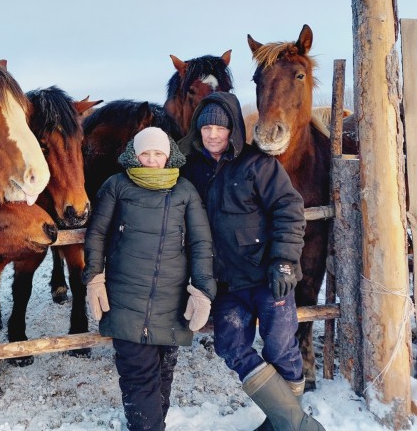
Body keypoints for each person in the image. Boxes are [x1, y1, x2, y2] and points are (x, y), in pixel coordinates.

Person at [178, 92, 325, 431]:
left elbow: (289, 210)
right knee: (229, 344)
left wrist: (285, 261)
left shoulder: (257, 164)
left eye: (220, 127)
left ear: (233, 130)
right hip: (226, 283)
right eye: (206, 128)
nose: (213, 135)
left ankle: (281, 422)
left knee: (281, 348)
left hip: (267, 277)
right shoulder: (191, 171)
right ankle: (294, 422)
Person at [82, 126, 216, 431]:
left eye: (158, 153)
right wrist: (94, 278)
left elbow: (200, 243)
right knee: (138, 377)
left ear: (169, 156)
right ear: (135, 154)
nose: (152, 160)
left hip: (171, 303)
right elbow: (97, 234)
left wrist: (203, 291)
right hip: (127, 300)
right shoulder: (116, 185)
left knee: (163, 374)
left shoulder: (185, 191)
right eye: (145, 153)